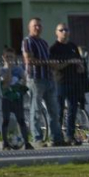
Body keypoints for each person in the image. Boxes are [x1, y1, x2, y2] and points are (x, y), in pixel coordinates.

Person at [21, 18, 65, 146]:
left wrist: (55, 65)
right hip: (36, 79)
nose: (38, 28)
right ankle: (37, 138)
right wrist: (47, 63)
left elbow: (49, 59)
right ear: (29, 27)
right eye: (35, 26)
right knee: (36, 109)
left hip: (49, 79)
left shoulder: (44, 43)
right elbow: (29, 60)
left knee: (54, 110)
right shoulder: (27, 41)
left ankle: (56, 138)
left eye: (39, 26)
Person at [48, 23, 87, 145]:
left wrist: (80, 66)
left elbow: (79, 61)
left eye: (66, 30)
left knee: (72, 110)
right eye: (61, 30)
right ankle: (57, 136)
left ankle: (70, 136)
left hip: (74, 81)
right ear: (56, 32)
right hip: (60, 82)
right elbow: (55, 66)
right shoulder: (54, 48)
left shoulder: (72, 46)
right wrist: (69, 62)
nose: (64, 32)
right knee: (58, 110)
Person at [0, 48, 34, 150]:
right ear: (3, 57)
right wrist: (9, 68)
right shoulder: (2, 70)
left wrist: (21, 83)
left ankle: (26, 142)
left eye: (11, 57)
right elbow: (6, 83)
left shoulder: (18, 69)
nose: (9, 59)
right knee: (6, 120)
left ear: (14, 57)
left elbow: (24, 80)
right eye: (7, 57)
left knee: (21, 120)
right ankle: (5, 143)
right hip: (6, 98)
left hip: (17, 98)